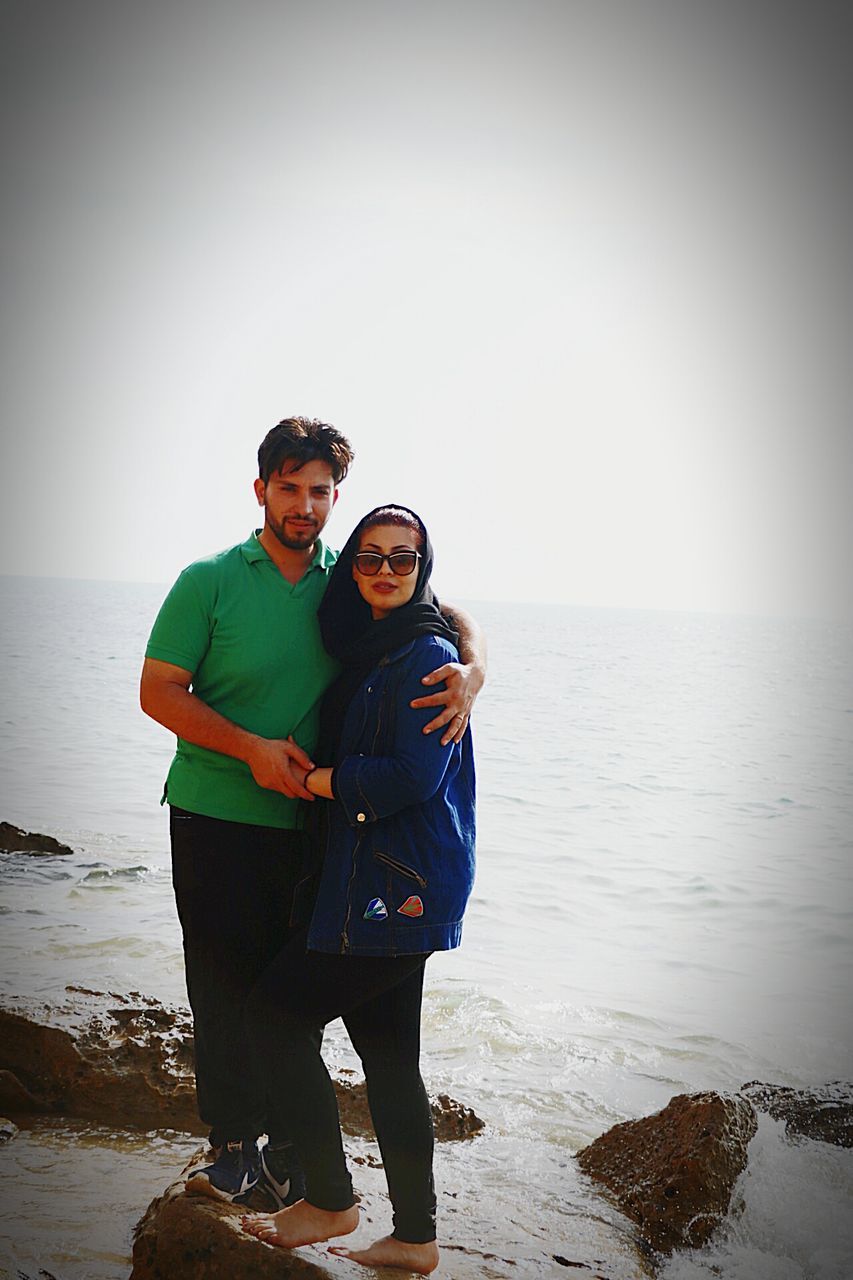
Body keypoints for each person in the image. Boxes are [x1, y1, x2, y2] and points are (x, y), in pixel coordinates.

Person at [139, 419, 485, 1206]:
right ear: (260, 489)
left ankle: (292, 1152)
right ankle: (232, 1145)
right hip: (214, 812)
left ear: (336, 498)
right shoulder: (210, 580)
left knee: (290, 991)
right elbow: (158, 692)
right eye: (288, 488)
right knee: (224, 989)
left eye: (319, 491)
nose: (303, 505)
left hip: (318, 828)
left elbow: (446, 616)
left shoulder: (352, 575)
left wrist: (475, 672)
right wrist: (251, 748)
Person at [240, 505, 475, 1275]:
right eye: (368, 557)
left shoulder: (421, 653)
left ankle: (332, 1198)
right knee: (387, 1057)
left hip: (396, 883)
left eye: (400, 560)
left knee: (274, 1015)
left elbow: (413, 774)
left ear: (422, 567)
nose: (382, 571)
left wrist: (319, 780)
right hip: (384, 877)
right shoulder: (373, 642)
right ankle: (415, 1237)